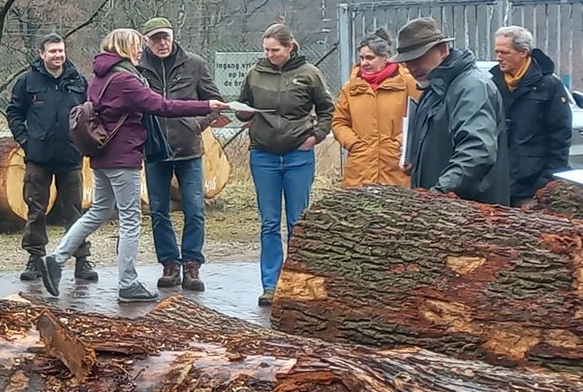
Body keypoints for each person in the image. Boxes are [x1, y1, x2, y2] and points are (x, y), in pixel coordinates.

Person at [42, 29, 227, 301]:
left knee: (97, 213)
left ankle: (57, 259)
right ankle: (128, 283)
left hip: (102, 156)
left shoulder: (99, 76)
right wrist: (205, 105)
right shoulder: (125, 80)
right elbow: (161, 105)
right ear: (123, 48)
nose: (141, 51)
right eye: (136, 46)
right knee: (130, 220)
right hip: (123, 157)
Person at [237, 23, 335, 307]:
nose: (270, 55)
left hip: (298, 156)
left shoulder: (310, 74)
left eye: (275, 50)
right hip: (263, 155)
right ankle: (271, 284)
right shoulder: (255, 73)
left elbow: (327, 109)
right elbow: (245, 106)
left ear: (290, 47)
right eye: (266, 50)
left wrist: (316, 135)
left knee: (297, 221)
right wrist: (240, 111)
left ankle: (297, 282)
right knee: (269, 223)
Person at [135, 18, 224, 292]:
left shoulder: (194, 64)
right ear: (146, 41)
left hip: (189, 150)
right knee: (159, 211)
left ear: (173, 36)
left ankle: (192, 264)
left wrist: (197, 125)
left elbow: (214, 101)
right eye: (155, 39)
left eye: (165, 37)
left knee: (195, 209)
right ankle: (170, 264)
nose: (162, 43)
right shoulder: (138, 69)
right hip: (155, 151)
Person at [6, 33, 95, 283]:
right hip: (38, 157)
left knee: (75, 211)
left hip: (70, 156)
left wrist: (84, 142)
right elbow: (14, 112)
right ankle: (35, 259)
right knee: (36, 210)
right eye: (52, 51)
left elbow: (90, 113)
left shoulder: (78, 80)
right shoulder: (28, 82)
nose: (58, 55)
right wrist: (25, 140)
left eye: (61, 51)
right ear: (42, 54)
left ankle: (81, 259)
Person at [397, 18, 509, 207]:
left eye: (418, 58)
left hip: (472, 214)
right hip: (443, 211)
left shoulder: (472, 87)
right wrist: (416, 163)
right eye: (407, 62)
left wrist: (438, 194)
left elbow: (477, 151)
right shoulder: (433, 89)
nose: (412, 68)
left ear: (442, 50)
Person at [492, 25, 572, 206]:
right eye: (496, 51)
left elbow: (560, 138)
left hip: (531, 187)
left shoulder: (549, 85)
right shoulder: (492, 84)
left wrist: (546, 184)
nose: (498, 57)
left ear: (523, 52)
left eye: (504, 52)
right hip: (497, 183)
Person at [331, 30, 418, 189]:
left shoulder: (407, 83)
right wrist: (353, 144)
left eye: (370, 57)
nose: (364, 63)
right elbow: (339, 122)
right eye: (362, 58)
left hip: (396, 167)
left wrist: (399, 143)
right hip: (360, 169)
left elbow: (419, 118)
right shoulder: (351, 87)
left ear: (386, 57)